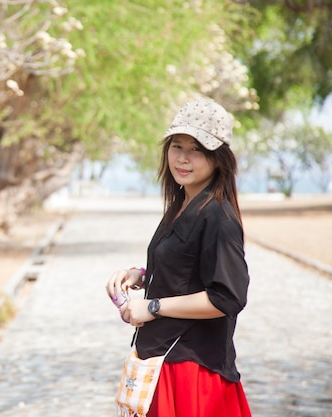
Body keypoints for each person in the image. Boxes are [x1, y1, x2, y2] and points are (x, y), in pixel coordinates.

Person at [106, 98, 252, 417]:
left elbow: (227, 296)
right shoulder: (184, 203)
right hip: (164, 359)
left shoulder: (218, 217)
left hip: (192, 371)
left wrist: (152, 307)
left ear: (218, 158)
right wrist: (140, 275)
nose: (183, 159)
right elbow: (189, 265)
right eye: (177, 146)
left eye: (196, 149)